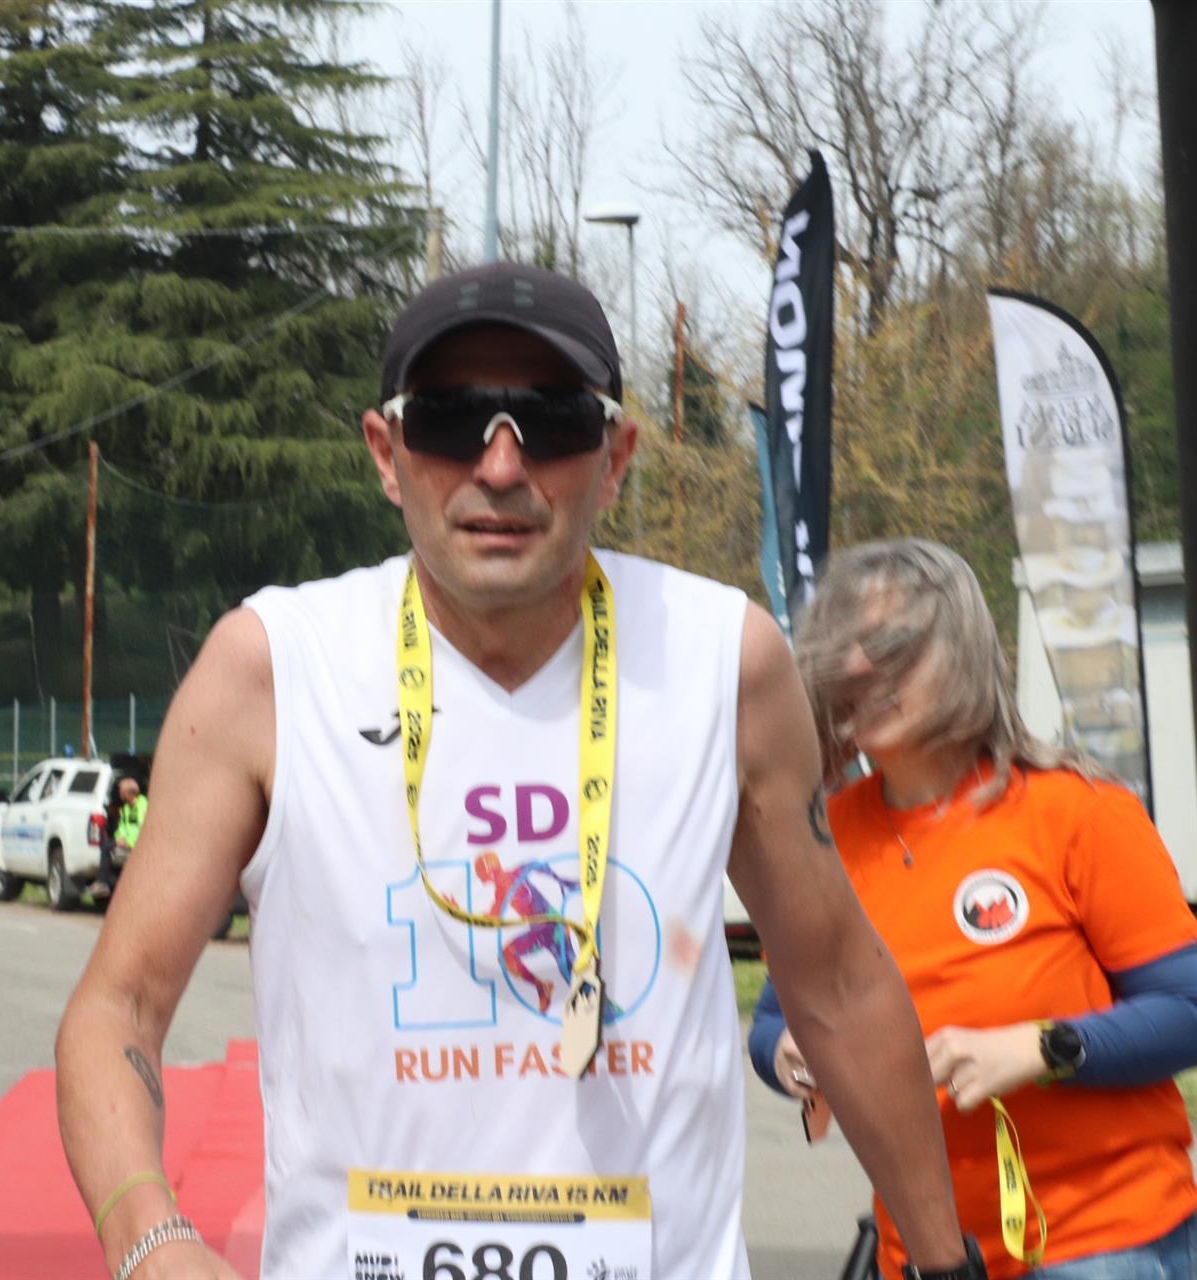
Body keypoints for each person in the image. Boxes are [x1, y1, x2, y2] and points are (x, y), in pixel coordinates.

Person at [56, 262, 983, 1280]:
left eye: (550, 422)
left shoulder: (727, 658)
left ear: (616, 456)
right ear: (386, 453)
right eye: (451, 420)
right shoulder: (272, 667)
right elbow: (119, 1007)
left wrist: (948, 1266)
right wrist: (149, 1239)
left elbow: (840, 987)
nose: (500, 466)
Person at [748, 539, 1197, 1278]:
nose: (857, 668)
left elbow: (1186, 1006)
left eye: (888, 647)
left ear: (960, 650)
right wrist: (787, 1056)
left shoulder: (1077, 811)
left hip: (1098, 1242)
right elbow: (773, 1017)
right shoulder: (824, 834)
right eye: (842, 650)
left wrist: (1044, 1049)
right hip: (925, 1253)